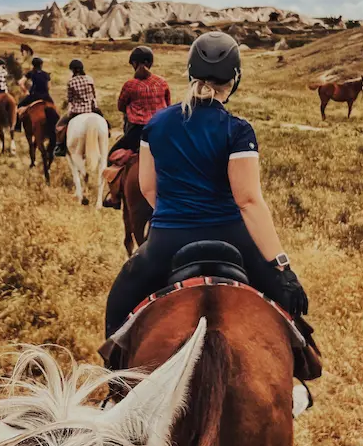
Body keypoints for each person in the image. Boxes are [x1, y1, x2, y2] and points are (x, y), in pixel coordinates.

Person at [104, 31, 309, 338]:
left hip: (167, 239)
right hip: (232, 237)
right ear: (235, 79)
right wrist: (282, 266)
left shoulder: (156, 125)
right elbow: (248, 201)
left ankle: (115, 377)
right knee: (291, 318)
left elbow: (148, 188)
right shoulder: (238, 130)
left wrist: (177, 215)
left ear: (190, 74)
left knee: (119, 306)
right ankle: (304, 365)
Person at [103, 46, 171, 209]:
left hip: (137, 133)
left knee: (111, 155)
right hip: (161, 131)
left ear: (134, 64)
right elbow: (168, 105)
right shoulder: (162, 82)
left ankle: (115, 197)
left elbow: (120, 106)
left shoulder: (130, 85)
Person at [53, 59, 106, 156]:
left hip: (77, 111)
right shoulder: (89, 79)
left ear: (72, 70)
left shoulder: (71, 82)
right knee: (105, 122)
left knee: (58, 127)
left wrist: (69, 110)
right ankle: (108, 133)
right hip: (91, 109)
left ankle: (60, 146)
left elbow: (70, 99)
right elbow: (93, 95)